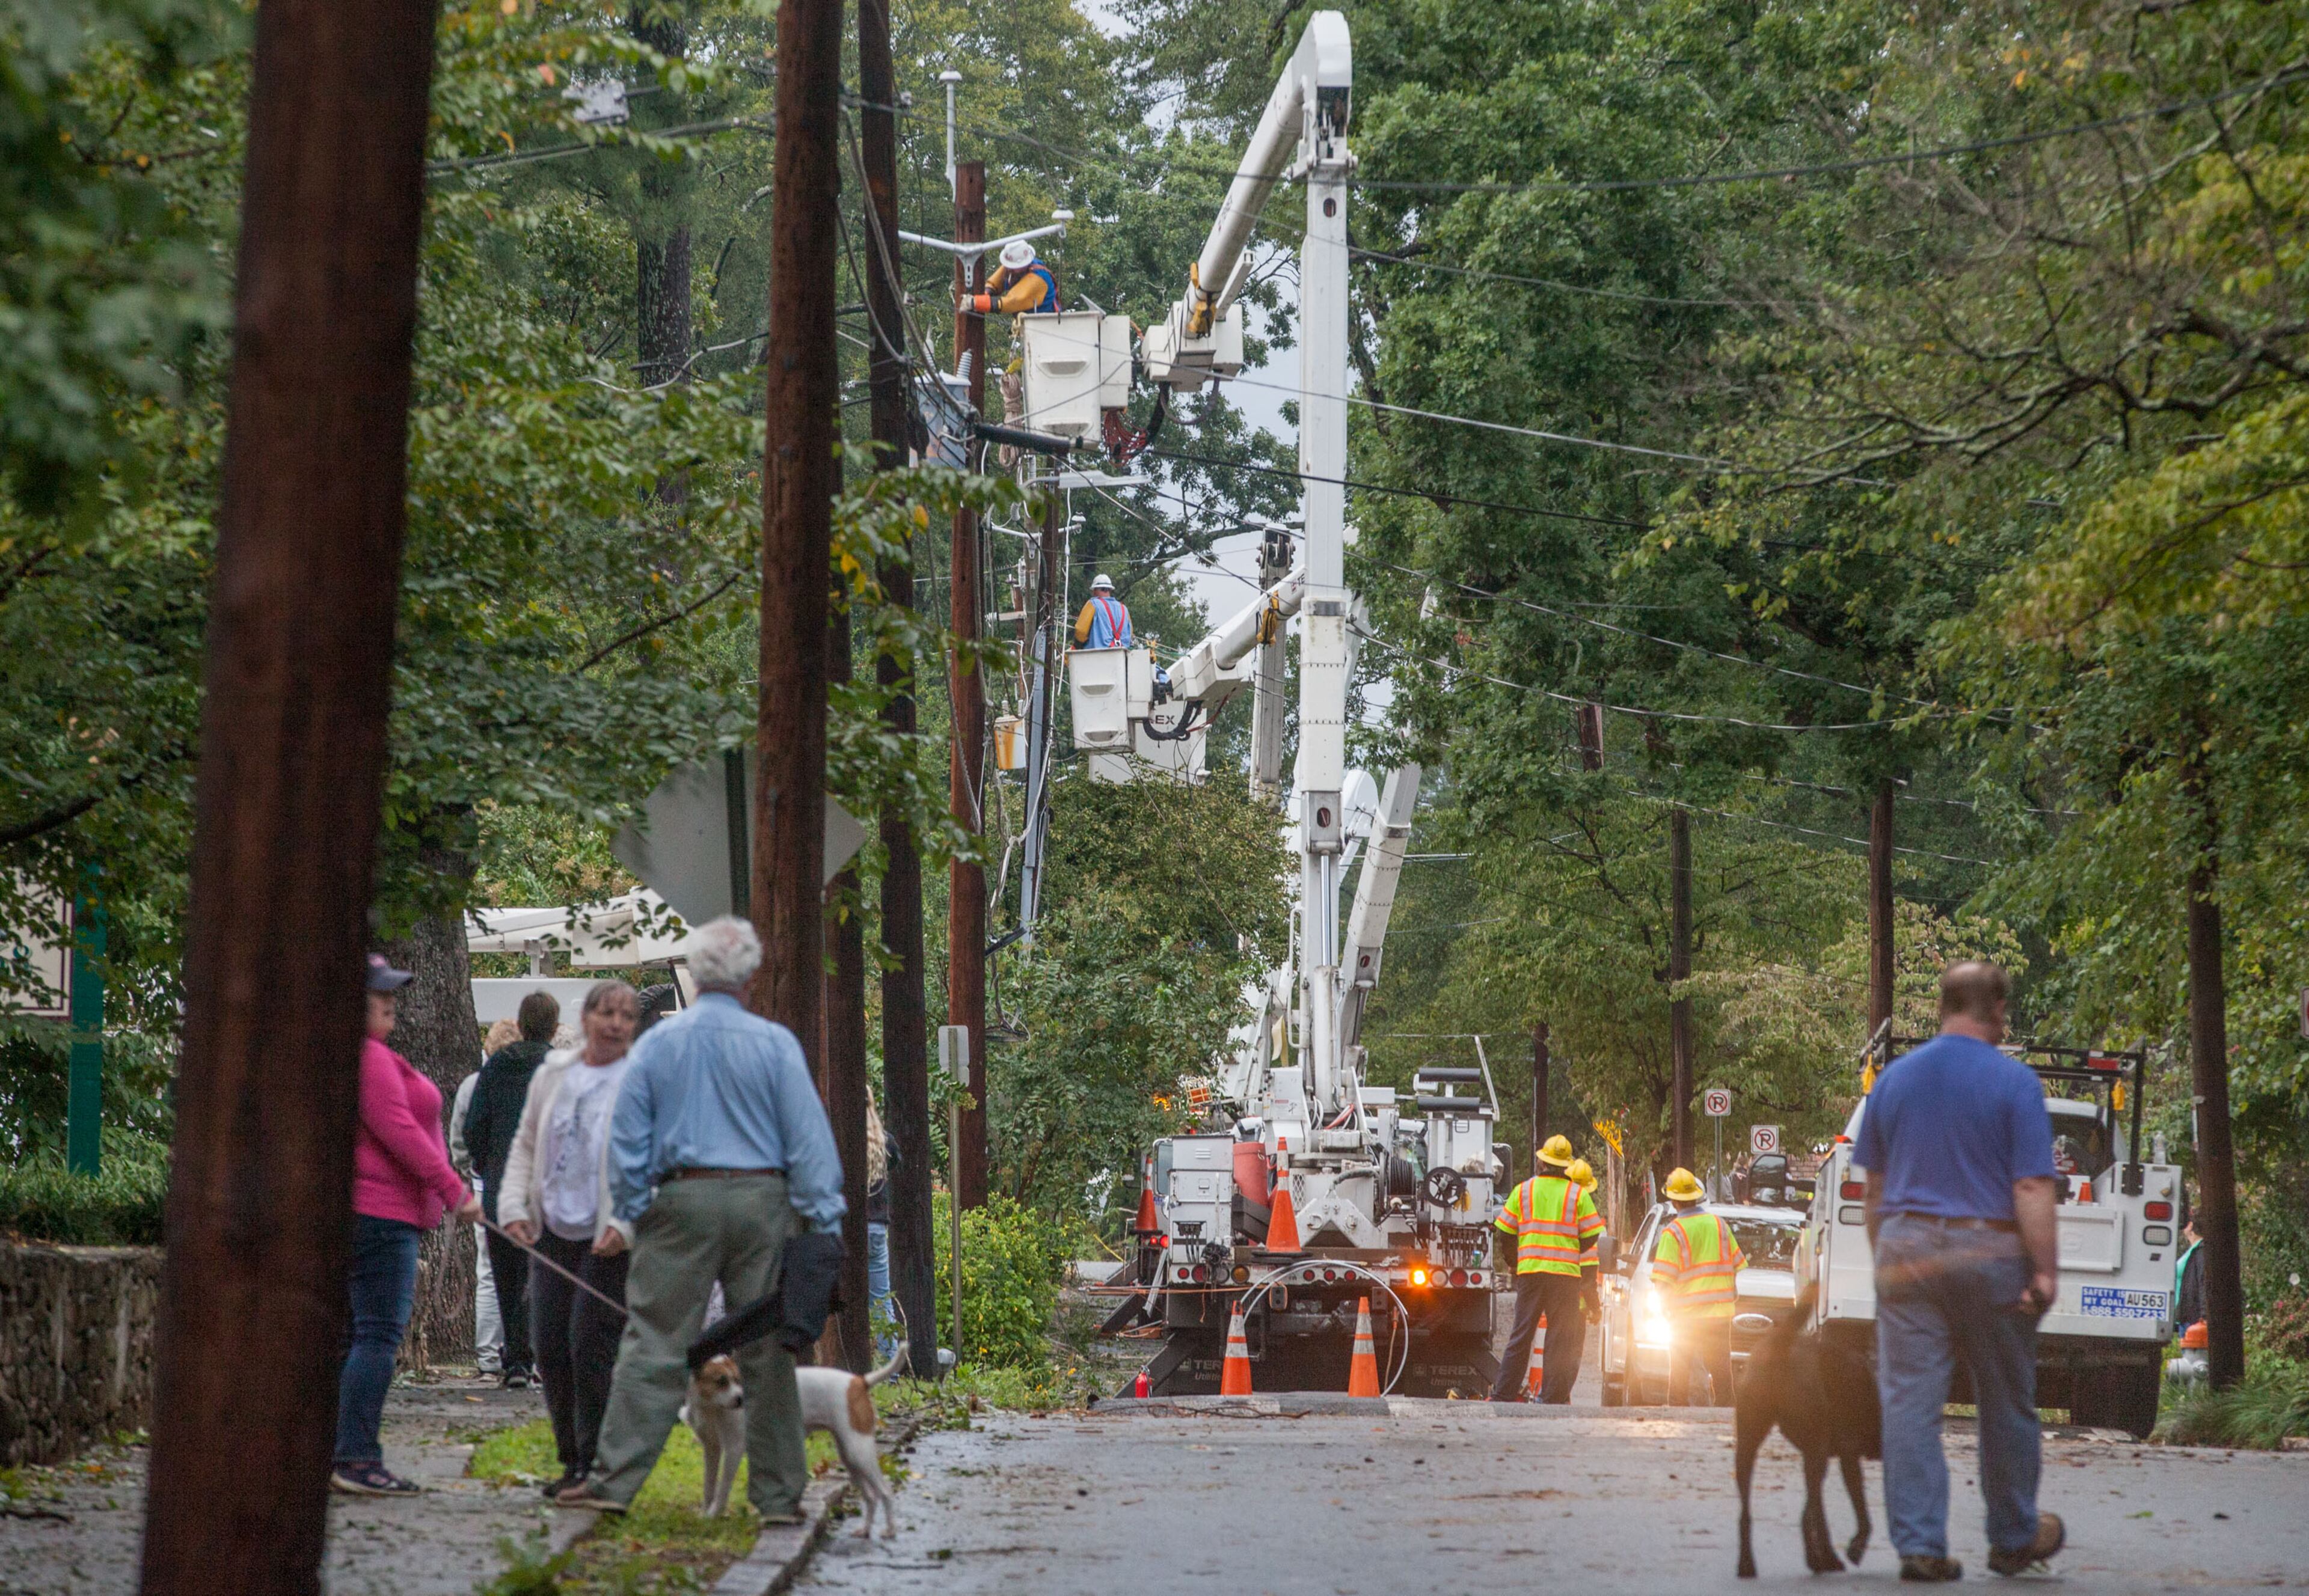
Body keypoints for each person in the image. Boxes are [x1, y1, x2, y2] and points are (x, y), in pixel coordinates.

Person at [555, 917, 845, 1520]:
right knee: (767, 1352)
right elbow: (808, 1140)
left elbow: (626, 1135)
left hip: (680, 1199)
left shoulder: (659, 1043)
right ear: (751, 977)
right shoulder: (775, 1045)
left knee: (654, 1342)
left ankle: (613, 1483)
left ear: (692, 970)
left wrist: (635, 1207)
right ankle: (777, 1497)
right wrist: (822, 1219)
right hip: (764, 1202)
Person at [1856, 959, 2065, 1582]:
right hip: (1991, 1256)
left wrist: (1887, 1261)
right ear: (1996, 1009)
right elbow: (2030, 1186)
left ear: (1943, 1005)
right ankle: (2011, 1538)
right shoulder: (2016, 1084)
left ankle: (1920, 1546)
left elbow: (1874, 1189)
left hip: (1905, 1249)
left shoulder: (1893, 1081)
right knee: (2006, 1400)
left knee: (1910, 1404)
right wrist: (2046, 1273)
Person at [333, 954, 481, 1496]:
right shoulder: (369, 1058)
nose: (390, 999)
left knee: (359, 1336)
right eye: (379, 992)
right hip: (380, 1214)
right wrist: (454, 1189)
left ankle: (343, 1453)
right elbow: (399, 1130)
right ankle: (356, 1458)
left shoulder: (373, 1056)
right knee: (377, 1335)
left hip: (376, 1213)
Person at [499, 980, 642, 1498]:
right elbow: (526, 1142)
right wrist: (513, 1206)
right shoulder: (554, 1073)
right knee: (550, 1343)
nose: (616, 1023)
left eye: (627, 1015)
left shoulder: (639, 1080)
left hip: (608, 1236)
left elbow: (651, 1160)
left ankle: (595, 1462)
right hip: (554, 1227)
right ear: (585, 1019)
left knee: (590, 1344)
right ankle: (570, 1458)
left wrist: (624, 1224)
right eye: (607, 1012)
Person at [461, 989, 560, 1389]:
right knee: (548, 1275)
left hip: (502, 1185)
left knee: (506, 1274)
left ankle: (516, 1359)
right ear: (554, 1027)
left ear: (521, 1024)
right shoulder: (560, 1067)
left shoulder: (497, 1066)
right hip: (550, 1188)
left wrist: (488, 1164)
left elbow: (474, 1125)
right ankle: (544, 1357)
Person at [1487, 1134, 1602, 1403]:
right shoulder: (1578, 1195)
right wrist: (1572, 1248)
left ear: (1542, 1163)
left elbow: (1505, 1231)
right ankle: (1553, 1397)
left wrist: (1516, 1263)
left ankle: (1504, 1393)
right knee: (1560, 1339)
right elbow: (1592, 1234)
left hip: (1531, 1274)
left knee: (1521, 1335)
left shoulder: (1524, 1190)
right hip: (1565, 1277)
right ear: (1566, 1166)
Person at [452, 1019, 521, 1377]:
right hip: (519, 1185)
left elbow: (460, 1138)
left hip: (483, 1183)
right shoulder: (526, 1082)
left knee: (489, 1273)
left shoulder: (471, 1086)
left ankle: (488, 1355)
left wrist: (470, 1169)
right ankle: (523, 1352)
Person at [1651, 1167, 1745, 1406]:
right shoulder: (1719, 1225)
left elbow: (1663, 1281)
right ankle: (1727, 1421)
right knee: (1723, 1376)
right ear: (1697, 1195)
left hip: (1686, 1318)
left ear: (1673, 1201)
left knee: (1680, 1377)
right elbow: (1735, 1265)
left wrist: (1665, 1311)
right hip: (1719, 1315)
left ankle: (1679, 1420)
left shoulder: (1674, 1232)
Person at [865, 1095, 897, 1359]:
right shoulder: (884, 1141)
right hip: (876, 1228)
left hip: (850, 1229)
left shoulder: (843, 1140)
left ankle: (851, 1363)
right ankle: (891, 1369)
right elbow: (898, 1162)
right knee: (881, 1300)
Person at [958, 238, 1058, 316]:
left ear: (1023, 264)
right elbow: (995, 284)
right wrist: (985, 293)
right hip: (1030, 324)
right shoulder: (1013, 268)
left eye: (1013, 267)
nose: (1009, 269)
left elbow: (1011, 302)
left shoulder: (1038, 279)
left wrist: (975, 302)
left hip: (1045, 324)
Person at [1073, 573, 1132, 649]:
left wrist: (1077, 646)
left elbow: (1081, 632)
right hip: (1121, 656)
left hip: (1097, 656)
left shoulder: (1093, 604)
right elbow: (1130, 634)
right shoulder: (1124, 609)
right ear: (1110, 590)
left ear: (1095, 590)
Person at [2174, 1211, 2204, 1330]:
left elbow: (2202, 1281)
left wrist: (2204, 1315)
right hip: (2184, 1316)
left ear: (2191, 1225)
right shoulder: (2193, 1250)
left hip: (2193, 1319)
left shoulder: (2201, 1250)